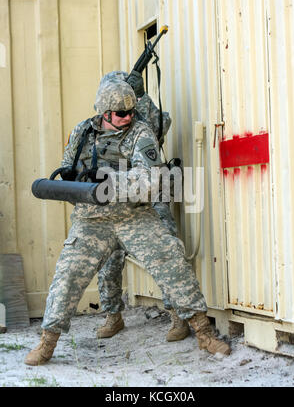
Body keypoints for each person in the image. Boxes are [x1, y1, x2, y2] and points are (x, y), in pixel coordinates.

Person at [25, 79, 231, 366]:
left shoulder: (140, 133)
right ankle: (47, 343)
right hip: (91, 219)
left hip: (133, 216)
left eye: (131, 112)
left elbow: (151, 178)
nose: (128, 118)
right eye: (121, 114)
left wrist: (109, 184)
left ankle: (204, 333)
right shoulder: (82, 132)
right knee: (67, 275)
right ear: (104, 113)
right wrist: (77, 186)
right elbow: (70, 169)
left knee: (170, 259)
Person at [95, 71, 188, 342]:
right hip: (115, 194)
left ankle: (178, 316)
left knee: (165, 251)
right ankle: (113, 315)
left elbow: (162, 125)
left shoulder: (139, 114)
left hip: (149, 190)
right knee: (108, 259)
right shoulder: (99, 122)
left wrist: (143, 97)